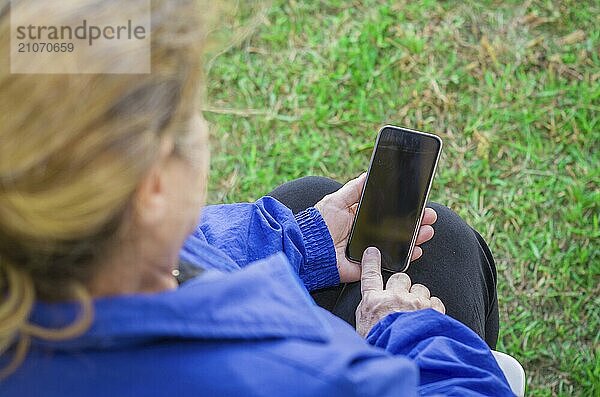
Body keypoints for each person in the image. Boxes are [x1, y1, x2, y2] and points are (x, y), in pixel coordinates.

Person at [0, 0, 513, 395]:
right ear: (154, 185)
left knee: (308, 197)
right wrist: (408, 331)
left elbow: (192, 247)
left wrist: (300, 242)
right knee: (451, 249)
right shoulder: (295, 379)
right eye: (195, 117)